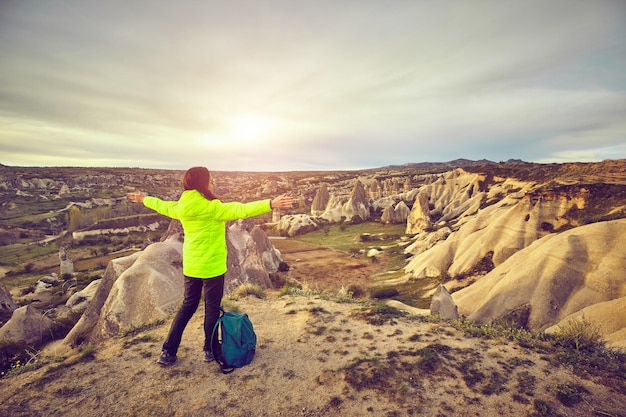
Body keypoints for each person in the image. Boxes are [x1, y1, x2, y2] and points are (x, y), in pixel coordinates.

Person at [127, 166, 294, 366]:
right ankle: (209, 349)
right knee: (211, 308)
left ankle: (167, 352)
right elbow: (242, 209)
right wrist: (270, 203)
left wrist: (143, 199)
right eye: (211, 180)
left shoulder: (181, 207)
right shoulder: (214, 208)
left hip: (192, 267)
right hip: (212, 267)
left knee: (187, 306)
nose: (213, 183)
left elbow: (161, 205)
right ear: (203, 184)